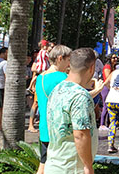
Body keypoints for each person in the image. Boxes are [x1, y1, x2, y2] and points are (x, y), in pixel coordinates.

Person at [45, 48, 102, 174]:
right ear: (92, 68)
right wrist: (88, 166)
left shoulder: (57, 89)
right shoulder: (81, 96)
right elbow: (80, 134)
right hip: (72, 168)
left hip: (54, 164)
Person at [35, 45, 72, 174]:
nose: (69, 64)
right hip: (59, 129)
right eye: (68, 60)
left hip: (45, 127)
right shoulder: (62, 78)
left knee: (43, 164)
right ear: (60, 58)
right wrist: (98, 90)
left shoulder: (40, 78)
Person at [29, 40, 52, 133]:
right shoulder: (44, 53)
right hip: (43, 78)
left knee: (38, 104)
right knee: (36, 103)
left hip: (43, 77)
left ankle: (34, 123)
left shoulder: (39, 55)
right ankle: (31, 124)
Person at [99, 54, 118, 129]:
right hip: (106, 88)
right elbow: (108, 78)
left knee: (111, 106)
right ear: (109, 58)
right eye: (113, 58)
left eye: (116, 57)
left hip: (111, 88)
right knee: (106, 106)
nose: (115, 59)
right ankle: (102, 124)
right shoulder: (107, 66)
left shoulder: (114, 67)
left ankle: (109, 123)